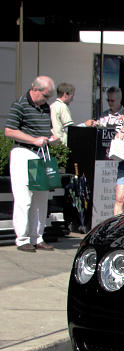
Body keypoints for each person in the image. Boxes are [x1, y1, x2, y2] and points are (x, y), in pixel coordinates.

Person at [4, 76, 60, 252]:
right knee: (24, 198)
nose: (47, 99)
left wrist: (52, 138)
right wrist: (34, 140)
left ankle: (37, 237)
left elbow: (46, 129)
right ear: (35, 89)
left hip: (41, 154)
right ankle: (22, 239)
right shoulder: (20, 104)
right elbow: (9, 131)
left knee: (41, 198)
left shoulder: (44, 107)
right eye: (45, 95)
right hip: (24, 152)